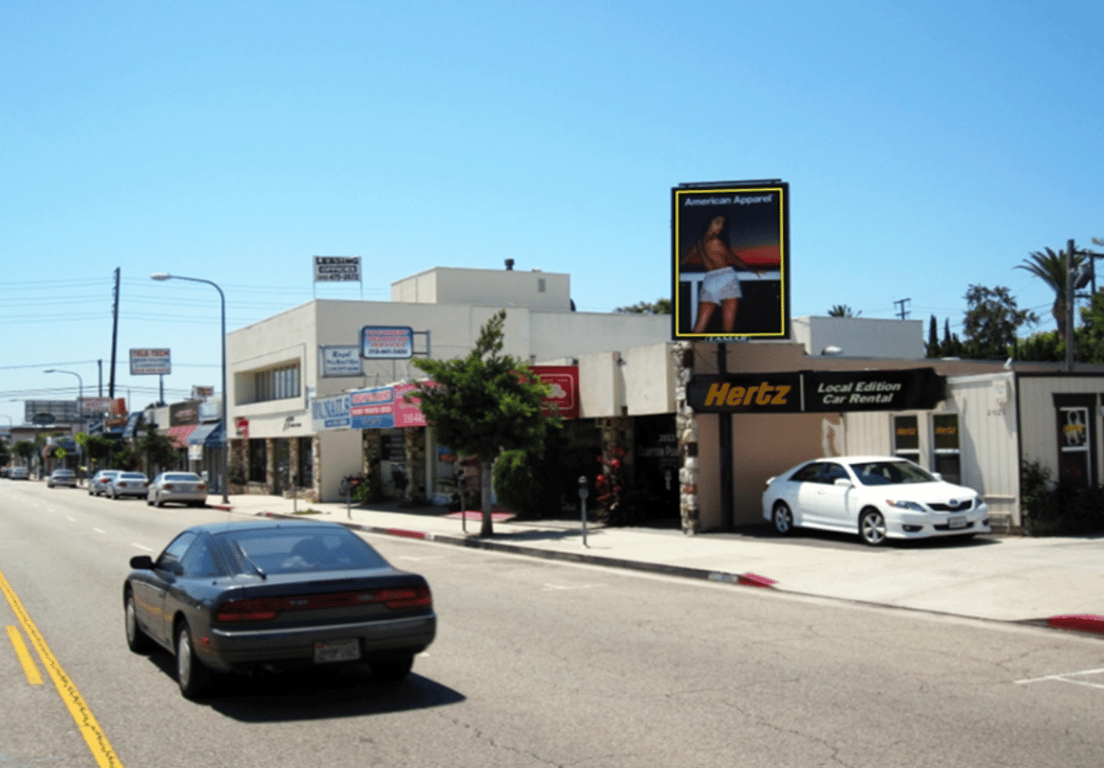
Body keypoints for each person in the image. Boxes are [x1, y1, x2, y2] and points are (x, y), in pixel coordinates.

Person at [681, 215, 762, 333]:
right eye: (717, 222)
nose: (721, 226)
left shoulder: (698, 243)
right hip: (726, 278)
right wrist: (751, 269)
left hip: (709, 280)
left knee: (698, 328)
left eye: (723, 224)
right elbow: (733, 258)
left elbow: (683, 260)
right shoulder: (715, 241)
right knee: (728, 329)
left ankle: (690, 349)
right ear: (708, 223)